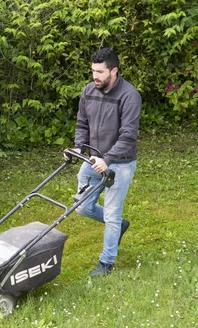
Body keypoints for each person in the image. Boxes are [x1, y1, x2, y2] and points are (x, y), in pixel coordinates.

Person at [69, 47, 142, 277]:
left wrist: (107, 159)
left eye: (100, 72)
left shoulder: (129, 96)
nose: (95, 76)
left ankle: (106, 262)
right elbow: (82, 124)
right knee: (82, 206)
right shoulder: (89, 91)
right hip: (92, 159)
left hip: (119, 163)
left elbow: (128, 136)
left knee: (111, 214)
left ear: (114, 71)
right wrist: (78, 147)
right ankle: (118, 225)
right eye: (93, 71)